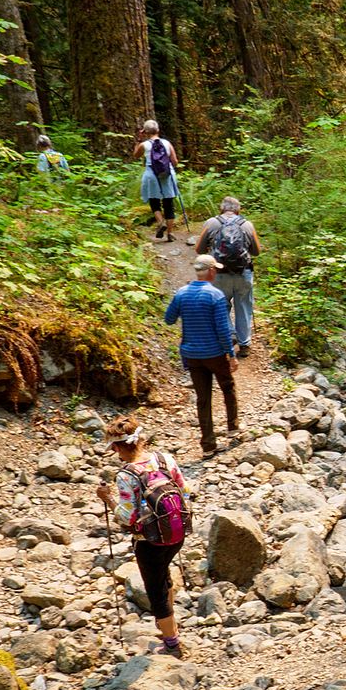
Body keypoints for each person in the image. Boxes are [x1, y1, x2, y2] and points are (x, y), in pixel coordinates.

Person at [95, 415, 189, 658]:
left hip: (149, 541)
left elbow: (127, 517)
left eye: (114, 448)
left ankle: (171, 644)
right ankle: (171, 628)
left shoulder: (127, 475)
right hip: (178, 533)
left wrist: (108, 499)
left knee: (155, 591)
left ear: (117, 447)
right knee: (163, 575)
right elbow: (184, 491)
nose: (116, 453)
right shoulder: (165, 459)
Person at [165, 256, 240, 455]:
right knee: (228, 387)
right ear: (211, 271)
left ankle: (208, 445)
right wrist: (231, 355)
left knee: (202, 398)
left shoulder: (181, 293)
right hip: (214, 353)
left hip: (192, 354)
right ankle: (233, 428)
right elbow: (223, 330)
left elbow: (169, 319)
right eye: (216, 270)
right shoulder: (215, 295)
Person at [195, 196, 261, 358]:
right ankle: (244, 344)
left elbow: (199, 249)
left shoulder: (211, 223)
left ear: (221, 209)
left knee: (221, 305)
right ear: (238, 210)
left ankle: (230, 334)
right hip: (243, 272)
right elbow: (256, 251)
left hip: (218, 272)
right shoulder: (247, 224)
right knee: (244, 306)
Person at [133, 119, 181, 241]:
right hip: (167, 174)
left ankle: (160, 222)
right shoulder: (167, 143)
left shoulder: (144, 145)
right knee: (168, 203)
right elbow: (175, 162)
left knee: (154, 201)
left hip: (151, 174)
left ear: (145, 132)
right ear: (158, 130)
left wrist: (139, 139)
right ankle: (170, 234)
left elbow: (135, 155)